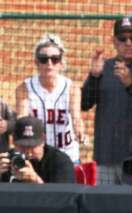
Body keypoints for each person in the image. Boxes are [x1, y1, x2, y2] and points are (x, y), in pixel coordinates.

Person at [82, 17, 132, 185]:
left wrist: (131, 85)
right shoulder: (105, 67)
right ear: (114, 41)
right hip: (106, 155)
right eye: (123, 39)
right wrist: (94, 77)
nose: (128, 42)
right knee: (105, 206)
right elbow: (85, 104)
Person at [15, 33, 84, 163]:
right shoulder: (24, 88)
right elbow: (22, 119)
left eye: (55, 59)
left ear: (61, 62)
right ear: (37, 62)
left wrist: (79, 129)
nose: (49, 63)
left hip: (67, 155)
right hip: (36, 155)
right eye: (43, 59)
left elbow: (76, 118)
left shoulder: (71, 88)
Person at [0, 116, 75, 184]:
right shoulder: (9, 160)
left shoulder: (60, 162)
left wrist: (35, 180)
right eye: (22, 146)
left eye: (32, 146)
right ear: (13, 142)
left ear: (43, 141)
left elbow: (64, 197)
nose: (27, 151)